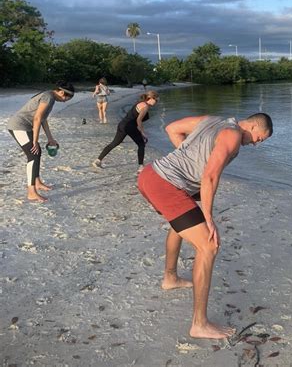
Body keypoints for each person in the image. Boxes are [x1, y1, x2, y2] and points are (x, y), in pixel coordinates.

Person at [137, 113, 273, 339]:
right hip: (166, 185)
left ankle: (170, 278)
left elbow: (172, 128)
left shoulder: (212, 120)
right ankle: (199, 324)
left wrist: (188, 160)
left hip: (150, 174)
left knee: (180, 222)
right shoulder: (233, 136)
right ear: (252, 125)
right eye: (260, 138)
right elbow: (209, 177)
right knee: (209, 246)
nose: (258, 143)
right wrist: (208, 217)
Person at [7, 81, 75, 202]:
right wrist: (35, 141)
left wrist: (50, 138)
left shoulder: (50, 97)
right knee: (33, 154)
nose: (64, 101)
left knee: (37, 152)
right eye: (65, 98)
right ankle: (31, 192)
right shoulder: (48, 97)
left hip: (25, 127)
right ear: (60, 92)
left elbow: (43, 119)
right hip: (18, 126)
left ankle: (37, 182)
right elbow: (37, 118)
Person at [92, 90, 159, 172]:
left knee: (114, 143)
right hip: (129, 127)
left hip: (122, 124)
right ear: (151, 98)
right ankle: (141, 167)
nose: (156, 102)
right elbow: (139, 120)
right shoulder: (145, 106)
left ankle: (98, 161)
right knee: (141, 144)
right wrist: (142, 132)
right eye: (156, 100)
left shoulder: (140, 103)